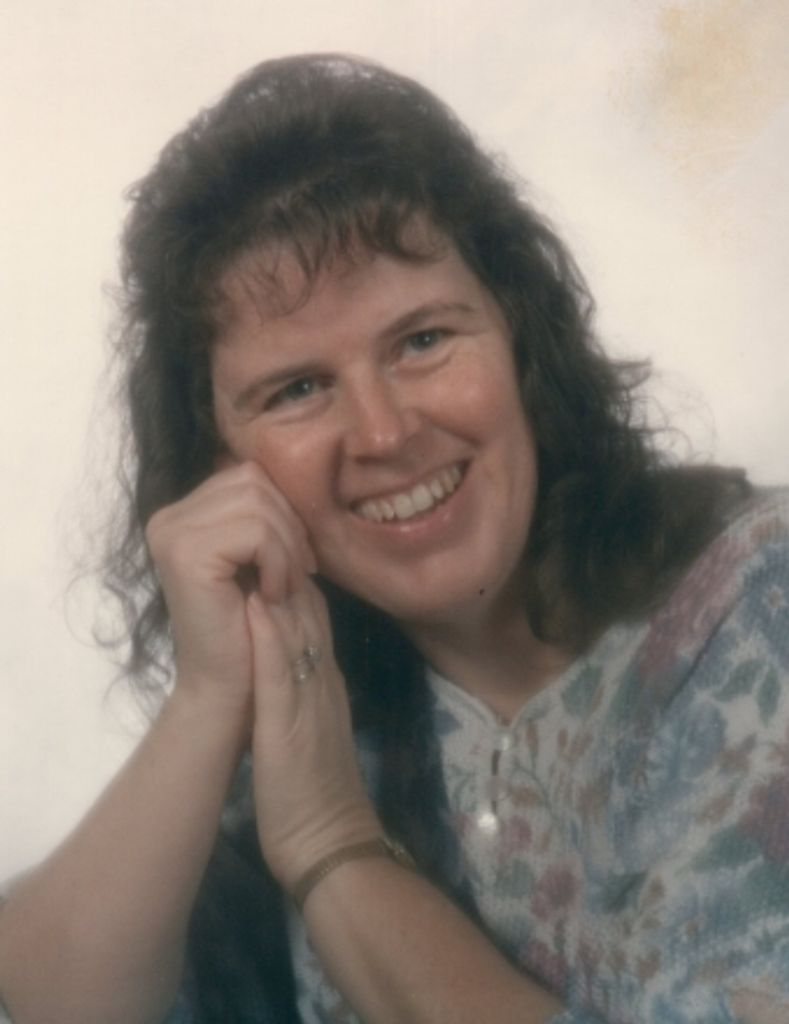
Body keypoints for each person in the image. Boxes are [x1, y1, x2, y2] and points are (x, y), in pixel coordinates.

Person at [0, 52, 788, 1024]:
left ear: (521, 338)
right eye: (297, 389)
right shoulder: (327, 728)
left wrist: (334, 847)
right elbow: (49, 1003)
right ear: (221, 470)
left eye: (423, 340)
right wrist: (208, 698)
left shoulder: (759, 602)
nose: (383, 434)